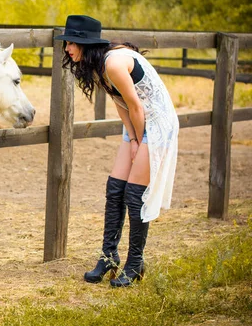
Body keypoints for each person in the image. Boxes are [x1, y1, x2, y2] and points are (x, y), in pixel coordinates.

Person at [54, 15, 179, 287]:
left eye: (72, 43)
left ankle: (135, 264)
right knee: (115, 189)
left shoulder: (113, 64)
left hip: (156, 121)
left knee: (134, 195)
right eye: (66, 43)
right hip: (137, 122)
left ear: (86, 44)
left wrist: (138, 141)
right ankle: (109, 257)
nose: (67, 48)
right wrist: (133, 139)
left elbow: (135, 105)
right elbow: (121, 104)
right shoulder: (96, 66)